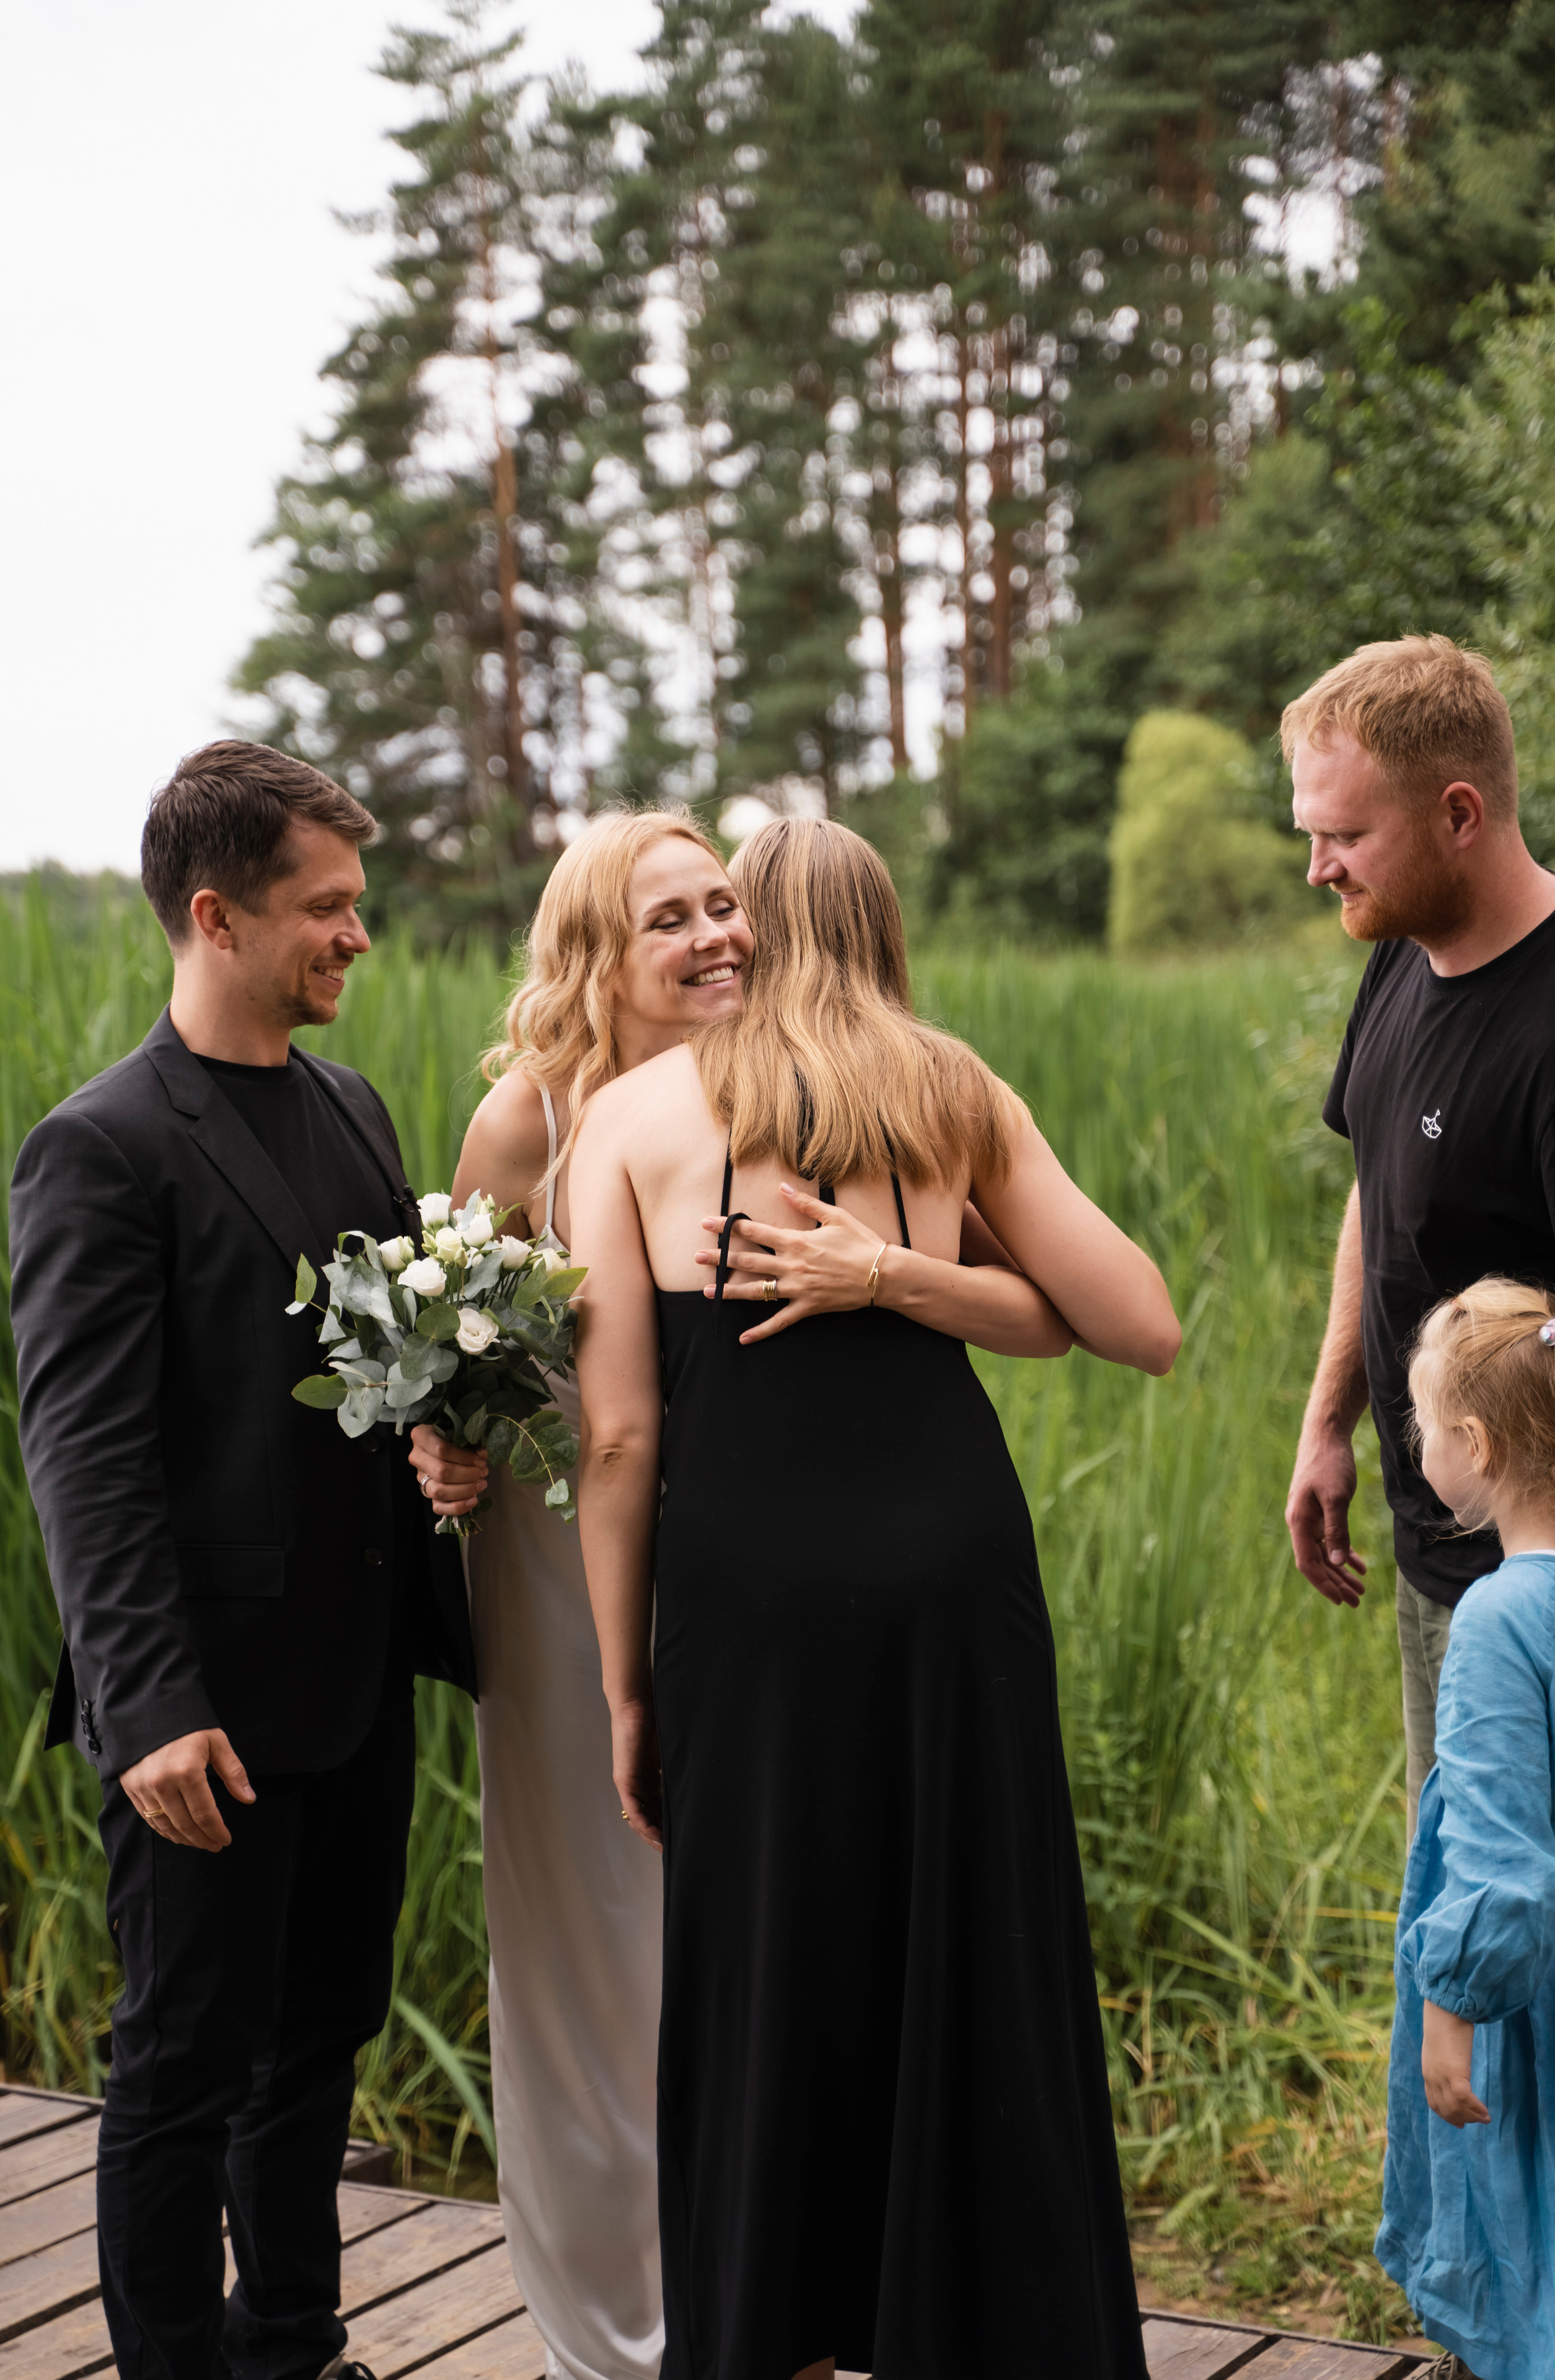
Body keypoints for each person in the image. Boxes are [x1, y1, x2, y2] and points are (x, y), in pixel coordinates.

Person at [408, 806, 1065, 2380]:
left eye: (726, 905)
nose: (716, 936)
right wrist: (440, 1443)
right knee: (590, 1940)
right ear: (595, 953)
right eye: (672, 920)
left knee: (747, 1939)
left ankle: (757, 2279)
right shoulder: (530, 1121)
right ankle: (616, 2311)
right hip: (571, 1563)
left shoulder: (789, 1092)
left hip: (723, 1560)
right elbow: (472, 1359)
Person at [566, 815, 1178, 2380]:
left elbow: (620, 1433)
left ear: (754, 934)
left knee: (767, 1962)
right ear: (884, 928)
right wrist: (906, 1273)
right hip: (948, 1587)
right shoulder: (948, 1091)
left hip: (743, 1602)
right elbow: (1137, 1322)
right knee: (964, 1942)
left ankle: (774, 2332)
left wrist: (624, 1683)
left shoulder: (631, 1119)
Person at [9, 742, 475, 2380]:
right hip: (198, 1714)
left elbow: (390, 1373)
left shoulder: (353, 1107)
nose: (359, 934)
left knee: (319, 2045)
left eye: (358, 903)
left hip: (353, 1687)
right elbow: (85, 1451)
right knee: (181, 2066)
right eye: (325, 908)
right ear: (214, 914)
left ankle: (295, 2343)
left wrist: (455, 1434)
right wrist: (144, 1708)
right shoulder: (102, 1147)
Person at [1282, 635, 1555, 1835]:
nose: (1317, 868)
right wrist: (1330, 1418)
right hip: (1429, 1555)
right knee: (1450, 1919)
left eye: (1343, 835)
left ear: (1459, 812)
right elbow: (1379, 1191)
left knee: (1526, 1961)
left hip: (1537, 1600)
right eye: (1309, 834)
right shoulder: (1400, 958)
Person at [1376, 1278, 1555, 2380]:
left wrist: (1452, 2009)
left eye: (1417, 1422)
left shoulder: (1498, 1620)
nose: (1411, 1445)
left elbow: (1505, 1870)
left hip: (1529, 2009)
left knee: (1531, 2216)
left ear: (1476, 1446)